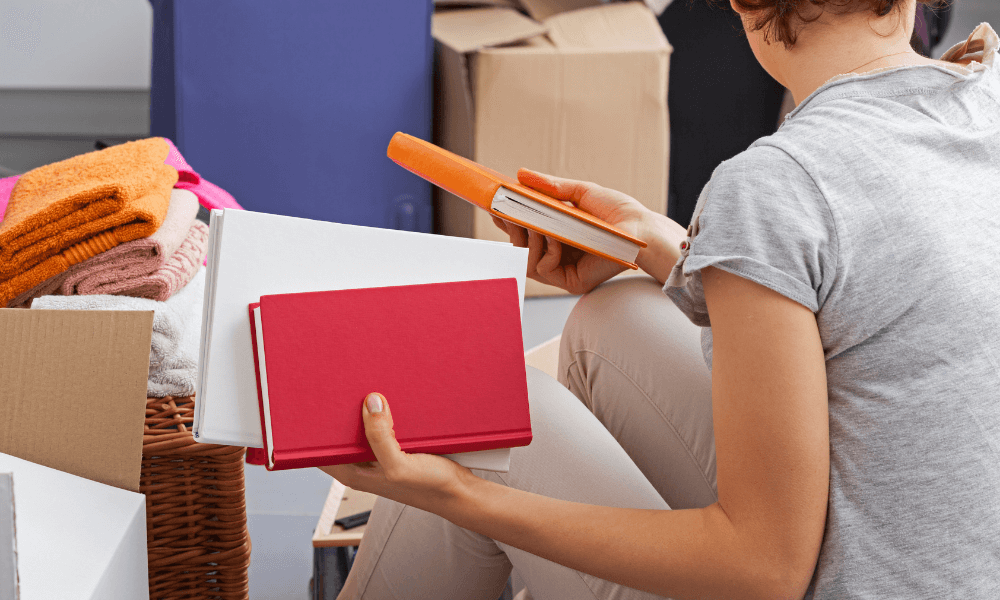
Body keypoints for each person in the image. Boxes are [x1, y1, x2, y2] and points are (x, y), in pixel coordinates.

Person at [323, 1, 1000, 598]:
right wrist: (658, 241)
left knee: (488, 423)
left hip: (818, 573)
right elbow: (868, 310)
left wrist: (462, 498)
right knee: (616, 314)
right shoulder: (983, 92)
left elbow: (765, 571)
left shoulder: (778, 184)